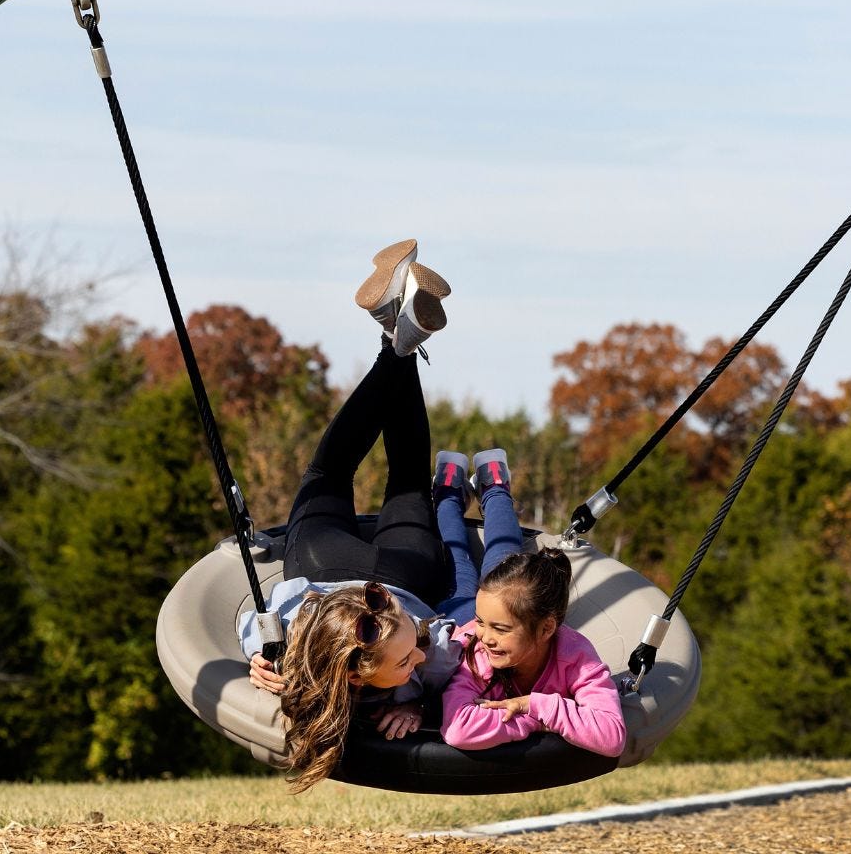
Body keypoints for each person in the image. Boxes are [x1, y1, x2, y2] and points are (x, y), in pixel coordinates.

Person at [237, 238, 464, 792]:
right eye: (411, 655)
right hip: (344, 565)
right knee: (342, 472)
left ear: (358, 674)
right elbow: (463, 677)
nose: (419, 658)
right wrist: (421, 710)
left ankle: (399, 340)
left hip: (382, 570)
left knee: (386, 476)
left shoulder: (289, 648)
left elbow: (250, 625)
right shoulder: (297, 639)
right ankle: (396, 338)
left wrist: (256, 657)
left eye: (407, 658)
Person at [438, 548, 627, 759]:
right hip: (458, 616)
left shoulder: (576, 658)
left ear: (546, 629)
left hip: (491, 609)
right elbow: (457, 729)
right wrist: (535, 719)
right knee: (460, 566)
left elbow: (612, 735)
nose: (487, 638)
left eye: (501, 629)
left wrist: (535, 705)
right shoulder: (480, 653)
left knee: (490, 562)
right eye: (481, 623)